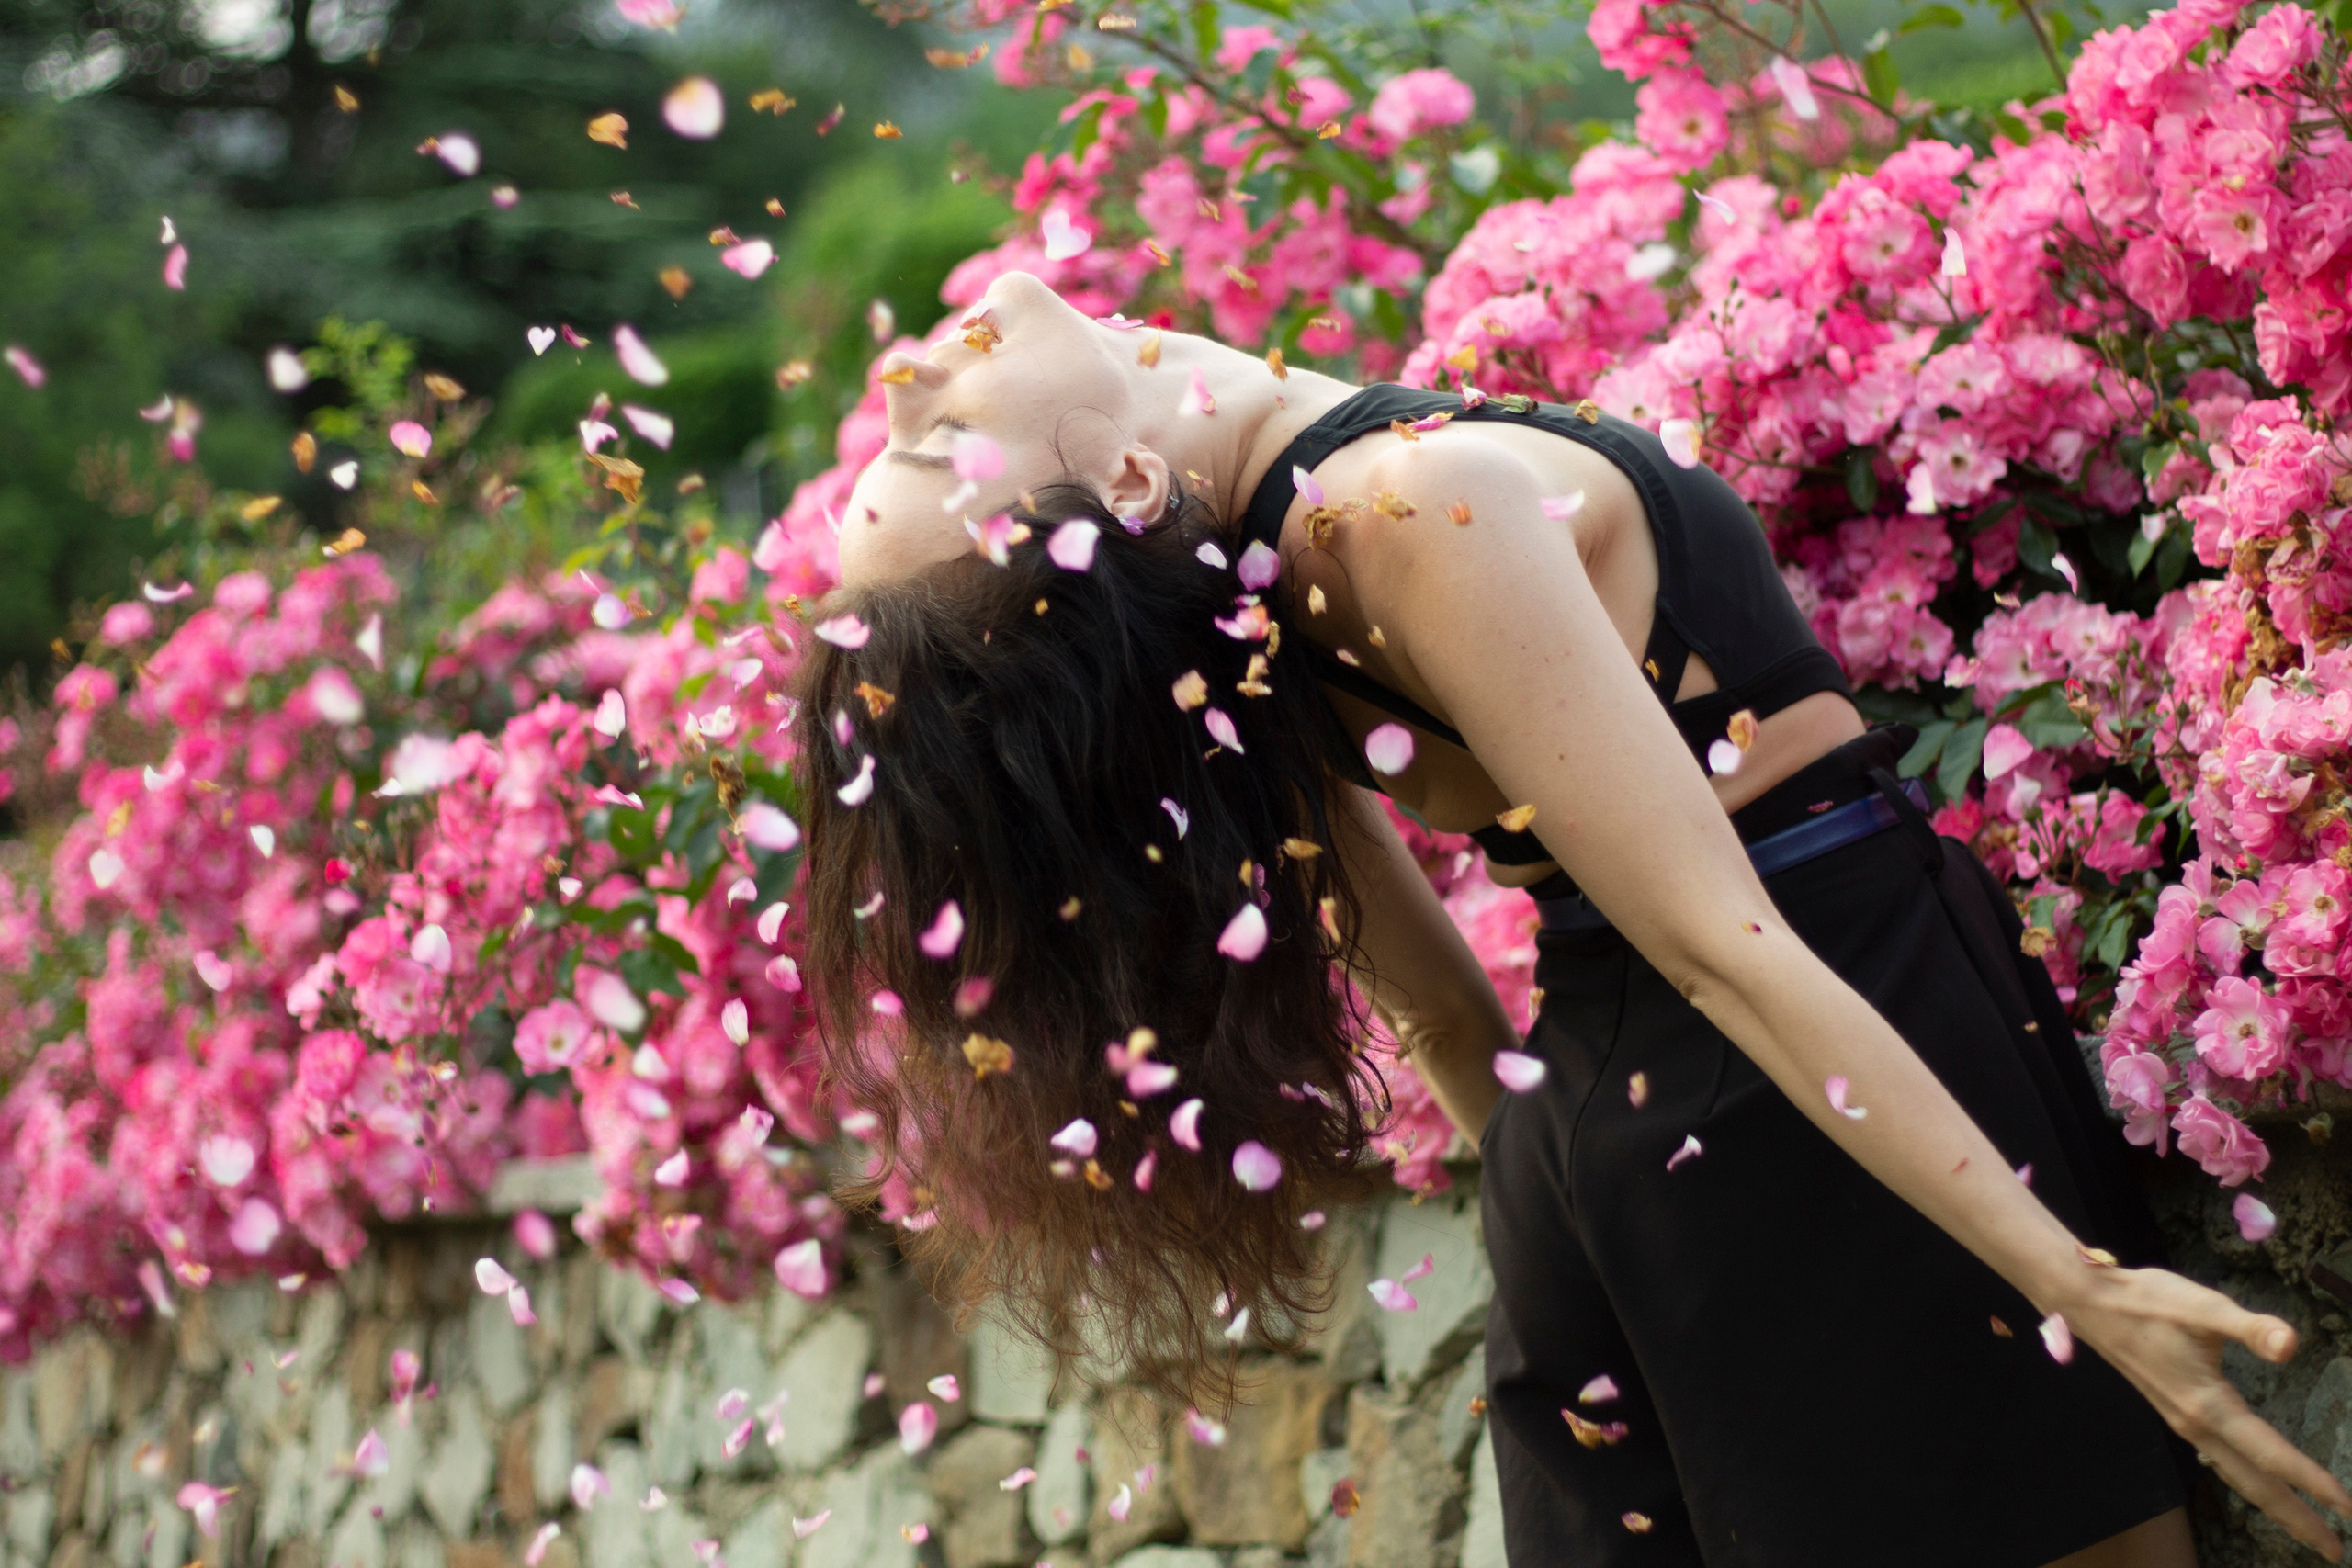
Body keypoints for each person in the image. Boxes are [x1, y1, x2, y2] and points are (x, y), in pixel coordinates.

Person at [791, 269, 2351, 1566]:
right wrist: (2064, 1278)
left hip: (1659, 1120)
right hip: (1801, 1081)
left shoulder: (1246, 597)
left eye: (899, 440)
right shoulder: (1400, 508)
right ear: (1125, 483)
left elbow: (1456, 1027)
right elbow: (1715, 942)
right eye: (931, 453)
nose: (908, 378)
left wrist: (1575, 1222)